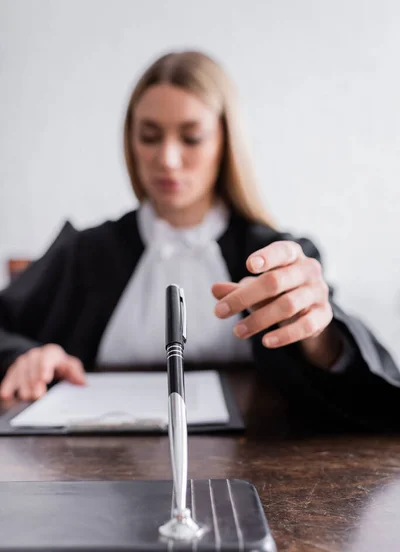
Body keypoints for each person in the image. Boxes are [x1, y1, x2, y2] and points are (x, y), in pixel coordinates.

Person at [0, 49, 399, 430]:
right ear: (130, 141)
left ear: (225, 142)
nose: (167, 159)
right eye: (150, 136)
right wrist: (25, 355)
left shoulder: (274, 258)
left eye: (191, 138)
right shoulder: (84, 254)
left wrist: (321, 340)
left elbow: (367, 393)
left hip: (261, 465)